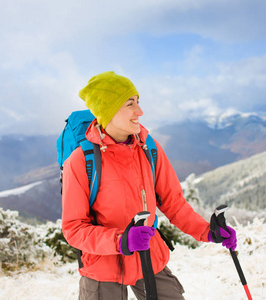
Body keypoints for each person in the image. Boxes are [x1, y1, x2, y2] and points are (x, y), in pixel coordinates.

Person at [62, 71, 237, 300]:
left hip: (148, 256)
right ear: (109, 111)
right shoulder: (80, 161)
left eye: (138, 101)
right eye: (129, 104)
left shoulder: (149, 149)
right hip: (102, 266)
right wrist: (120, 240)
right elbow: (74, 228)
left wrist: (207, 231)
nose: (139, 111)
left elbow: (173, 203)